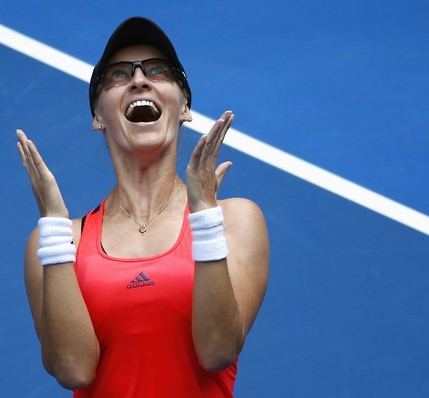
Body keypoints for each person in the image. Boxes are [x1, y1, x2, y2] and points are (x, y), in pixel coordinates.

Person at [16, 17, 269, 397]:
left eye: (158, 71)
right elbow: (73, 370)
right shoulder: (57, 241)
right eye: (118, 75)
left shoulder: (232, 219)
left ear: (184, 107)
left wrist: (203, 218)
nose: (139, 80)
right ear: (99, 116)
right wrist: (53, 234)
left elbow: (218, 350)